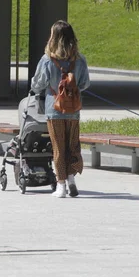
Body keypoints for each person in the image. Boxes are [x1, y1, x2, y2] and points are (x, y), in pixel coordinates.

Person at [30, 20, 90, 198]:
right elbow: (85, 83)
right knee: (73, 146)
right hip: (73, 110)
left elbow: (37, 84)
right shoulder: (80, 60)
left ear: (53, 38)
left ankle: (61, 185)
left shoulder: (48, 60)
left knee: (58, 147)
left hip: (53, 109)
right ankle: (71, 178)